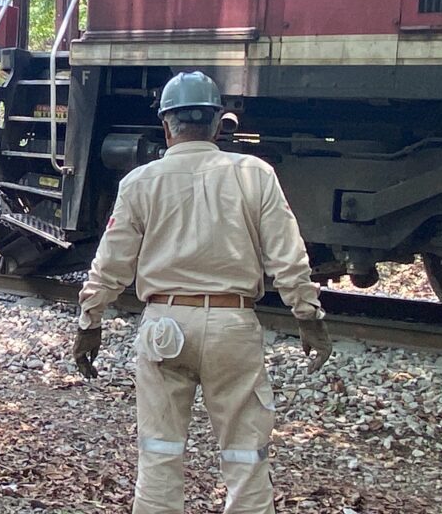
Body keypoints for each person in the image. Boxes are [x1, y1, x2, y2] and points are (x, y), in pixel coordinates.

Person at [71, 72, 333, 514]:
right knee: (245, 456)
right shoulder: (255, 175)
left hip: (163, 326)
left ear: (166, 125)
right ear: (217, 124)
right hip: (233, 326)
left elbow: (111, 263)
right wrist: (308, 316)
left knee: (158, 454)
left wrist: (89, 321)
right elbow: (288, 255)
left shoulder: (140, 182)